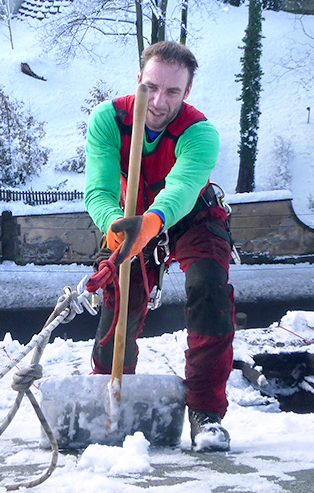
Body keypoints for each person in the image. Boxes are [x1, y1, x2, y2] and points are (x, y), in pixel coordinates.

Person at [82, 40, 234, 452]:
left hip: (190, 217)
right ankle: (110, 392)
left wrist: (152, 222)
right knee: (120, 297)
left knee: (208, 287)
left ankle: (205, 412)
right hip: (127, 216)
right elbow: (96, 187)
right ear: (138, 81)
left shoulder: (199, 132)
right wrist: (115, 226)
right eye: (152, 88)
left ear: (186, 93)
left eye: (173, 92)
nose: (159, 101)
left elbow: (183, 188)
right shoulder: (108, 119)